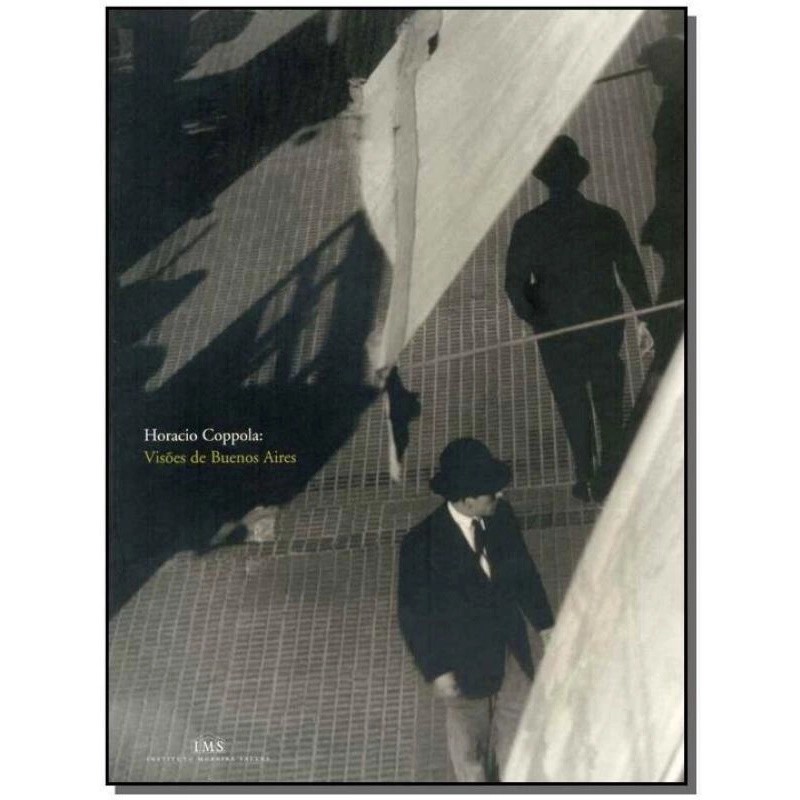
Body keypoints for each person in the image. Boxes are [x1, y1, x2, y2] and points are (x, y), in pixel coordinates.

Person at [505, 136, 653, 502]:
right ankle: (612, 474)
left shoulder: (530, 225)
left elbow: (514, 285)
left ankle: (585, 474)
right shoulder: (605, 218)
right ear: (578, 177)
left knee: (571, 402)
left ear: (545, 180)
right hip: (603, 327)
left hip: (556, 332)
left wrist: (537, 317)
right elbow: (632, 272)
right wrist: (646, 316)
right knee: (609, 399)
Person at [398, 438, 554, 782]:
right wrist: (437, 670)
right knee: (471, 742)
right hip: (463, 663)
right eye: (491, 493)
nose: (500, 495)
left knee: (516, 722)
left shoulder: (501, 516)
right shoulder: (421, 545)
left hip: (510, 648)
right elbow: (413, 617)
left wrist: (545, 624)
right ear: (468, 500)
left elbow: (523, 572)